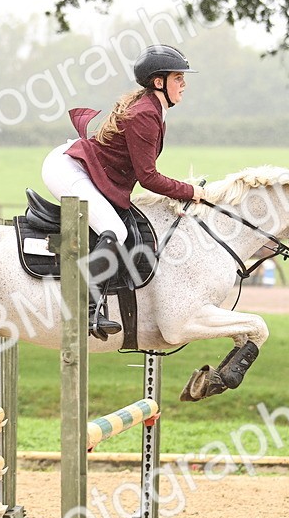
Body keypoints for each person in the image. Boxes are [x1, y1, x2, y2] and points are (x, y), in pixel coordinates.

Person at [42, 44, 207, 340]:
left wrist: (177, 196)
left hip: (87, 171)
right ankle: (86, 306)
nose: (184, 83)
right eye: (178, 78)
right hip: (69, 171)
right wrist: (189, 191)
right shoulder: (146, 114)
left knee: (122, 225)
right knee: (114, 230)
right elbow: (148, 178)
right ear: (159, 82)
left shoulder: (152, 108)